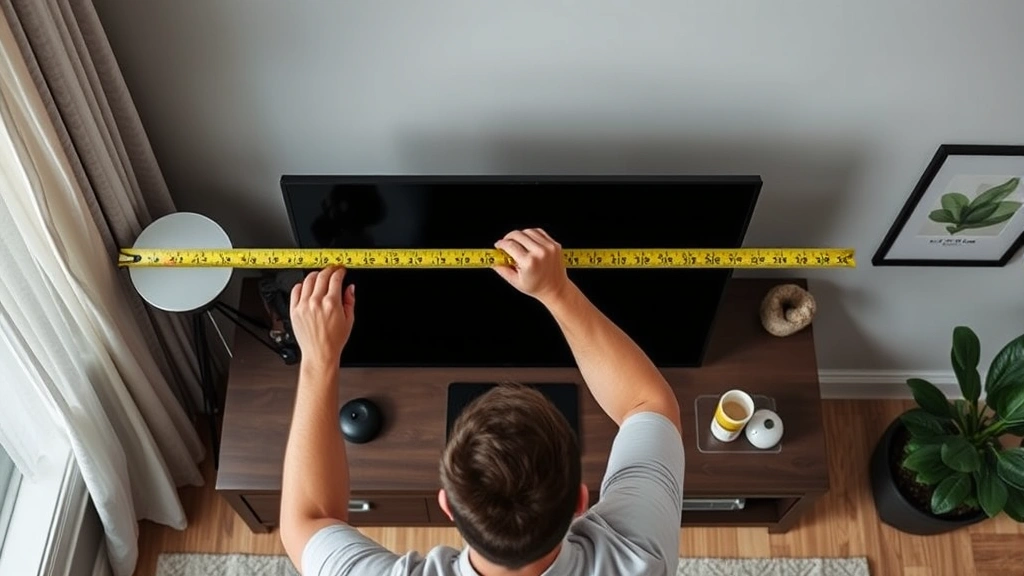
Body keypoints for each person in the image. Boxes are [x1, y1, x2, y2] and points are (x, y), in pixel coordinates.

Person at [280, 229, 685, 576]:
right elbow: (647, 402)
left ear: (448, 507)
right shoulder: (637, 559)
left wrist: (319, 357)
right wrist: (557, 291)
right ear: (580, 500)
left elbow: (308, 520)